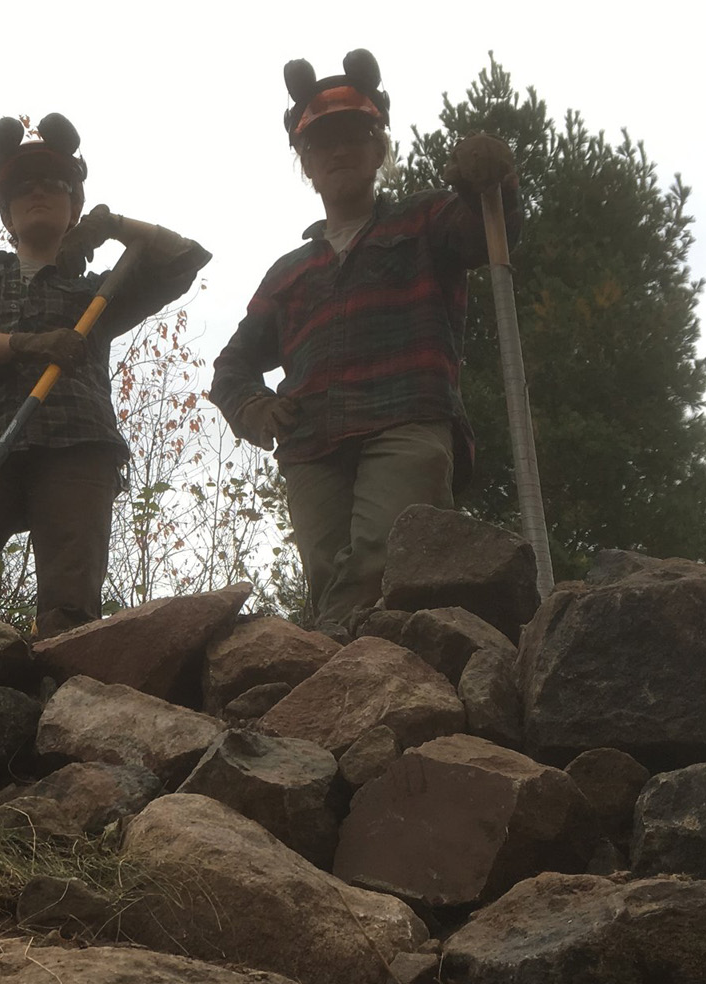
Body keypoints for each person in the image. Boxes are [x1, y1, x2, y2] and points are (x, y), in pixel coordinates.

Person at [208, 50, 519, 637]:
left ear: (379, 149)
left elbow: (487, 236)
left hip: (407, 420)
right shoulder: (288, 272)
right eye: (321, 144)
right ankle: (358, 697)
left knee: (387, 555)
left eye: (355, 136)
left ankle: (322, 660)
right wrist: (254, 406)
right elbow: (233, 364)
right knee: (331, 575)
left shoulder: (427, 219)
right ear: (306, 163)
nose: (339, 151)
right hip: (312, 445)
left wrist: (494, 181)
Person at [0, 114, 210, 637]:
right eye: (23, 188)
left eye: (55, 185)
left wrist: (116, 224)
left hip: (77, 446)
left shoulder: (96, 294)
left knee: (70, 612)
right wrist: (25, 345)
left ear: (74, 207)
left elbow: (183, 260)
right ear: (5, 214)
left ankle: (61, 702)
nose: (39, 193)